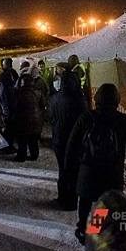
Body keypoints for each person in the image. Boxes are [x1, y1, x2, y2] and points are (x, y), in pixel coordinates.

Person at [65, 83, 126, 245]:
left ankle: (85, 232)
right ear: (117, 100)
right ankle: (97, 231)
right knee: (105, 204)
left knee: (85, 201)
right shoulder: (124, 121)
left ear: (97, 98)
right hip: (112, 173)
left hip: (88, 171)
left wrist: (69, 168)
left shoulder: (86, 118)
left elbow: (71, 145)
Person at [48, 71, 86, 210]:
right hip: (75, 142)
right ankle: (71, 202)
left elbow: (51, 119)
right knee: (74, 171)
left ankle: (62, 197)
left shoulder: (53, 99)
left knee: (62, 169)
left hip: (58, 139)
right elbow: (84, 122)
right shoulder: (79, 101)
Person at [11, 73, 45, 162]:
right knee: (33, 138)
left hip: (22, 119)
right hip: (36, 119)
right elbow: (43, 105)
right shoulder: (38, 91)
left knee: (22, 139)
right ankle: (34, 155)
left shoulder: (18, 92)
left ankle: (21, 156)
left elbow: (13, 107)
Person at [0, 57, 19, 154]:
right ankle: (8, 146)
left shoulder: (8, 76)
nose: (3, 65)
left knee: (9, 128)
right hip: (9, 106)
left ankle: (8, 146)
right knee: (9, 128)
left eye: (4, 64)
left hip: (8, 107)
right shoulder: (11, 74)